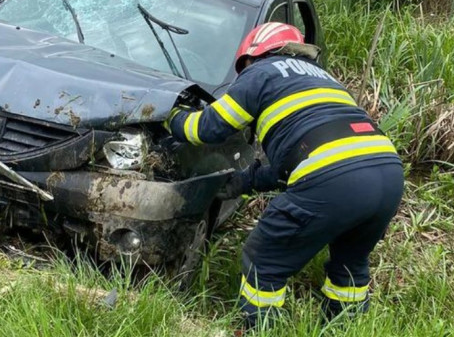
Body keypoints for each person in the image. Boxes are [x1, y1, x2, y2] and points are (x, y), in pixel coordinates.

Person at [165, 22, 404, 329]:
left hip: (331, 178)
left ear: (253, 56)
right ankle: (346, 327)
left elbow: (207, 128)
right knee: (351, 263)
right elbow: (299, 158)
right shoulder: (327, 80)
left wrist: (171, 115)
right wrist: (243, 182)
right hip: (386, 172)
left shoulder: (260, 73)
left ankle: (261, 330)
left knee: (263, 260)